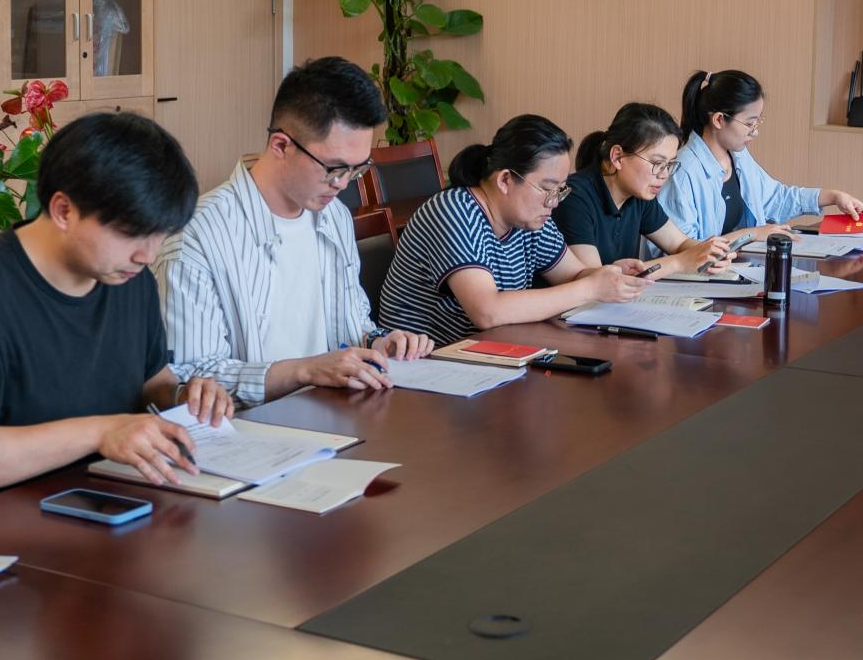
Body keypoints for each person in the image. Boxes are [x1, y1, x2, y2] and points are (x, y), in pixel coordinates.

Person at [0, 111, 234, 494]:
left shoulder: (127, 276)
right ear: (63, 211)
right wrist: (99, 432)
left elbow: (151, 380)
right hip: (7, 516)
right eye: (132, 233)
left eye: (159, 236)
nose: (148, 255)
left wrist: (184, 397)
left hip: (114, 497)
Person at [157, 58, 434, 404]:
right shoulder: (196, 236)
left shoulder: (334, 217)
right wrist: (306, 370)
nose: (343, 184)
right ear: (281, 146)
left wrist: (379, 342)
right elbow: (188, 380)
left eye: (356, 169)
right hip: (249, 426)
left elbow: (351, 325)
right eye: (334, 168)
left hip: (334, 410)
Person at [379, 114, 648, 345]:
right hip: (423, 362)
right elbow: (487, 312)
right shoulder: (454, 211)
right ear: (505, 180)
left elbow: (573, 275)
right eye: (547, 188)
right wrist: (590, 288)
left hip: (488, 355)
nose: (554, 202)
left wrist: (607, 275)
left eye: (560, 190)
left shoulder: (530, 219)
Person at [659, 69, 863, 242]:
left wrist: (833, 196)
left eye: (757, 122)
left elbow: (775, 198)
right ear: (719, 120)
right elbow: (684, 250)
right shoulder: (683, 172)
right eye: (749, 123)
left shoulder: (738, 157)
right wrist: (752, 234)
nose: (755, 132)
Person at [556, 103, 736, 276]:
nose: (664, 174)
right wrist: (679, 263)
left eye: (669, 165)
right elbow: (595, 280)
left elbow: (679, 243)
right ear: (618, 157)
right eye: (658, 163)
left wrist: (710, 253)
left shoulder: (639, 194)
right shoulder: (574, 197)